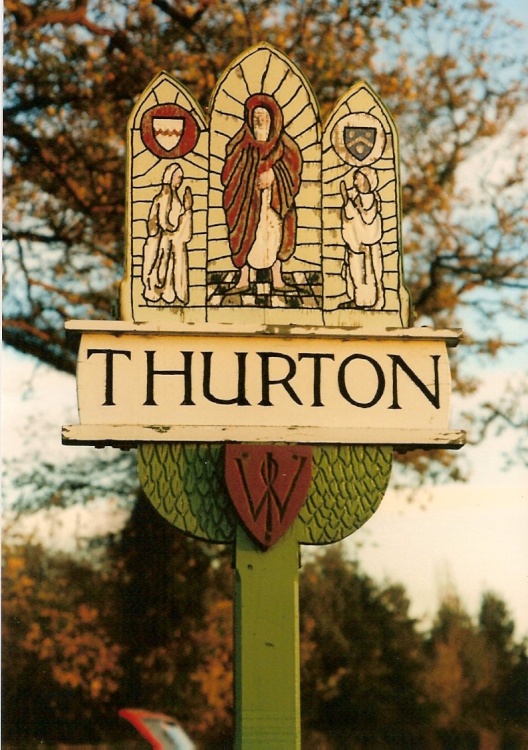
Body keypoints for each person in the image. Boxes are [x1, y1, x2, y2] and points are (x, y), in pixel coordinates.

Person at [221, 94, 302, 292]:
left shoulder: (284, 146)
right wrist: (248, 180)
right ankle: (243, 279)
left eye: (264, 117)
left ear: (273, 119)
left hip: (274, 201)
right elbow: (229, 175)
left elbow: (293, 168)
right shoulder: (240, 145)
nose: (260, 120)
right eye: (256, 116)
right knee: (247, 234)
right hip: (247, 202)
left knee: (277, 235)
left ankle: (277, 279)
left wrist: (274, 174)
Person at [142, 163, 192, 304]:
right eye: (178, 177)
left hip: (173, 240)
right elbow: (163, 221)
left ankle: (170, 294)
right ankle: (162, 293)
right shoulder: (165, 197)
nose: (180, 181)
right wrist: (175, 229)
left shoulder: (175, 196)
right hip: (165, 240)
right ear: (170, 177)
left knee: (171, 268)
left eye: (182, 178)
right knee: (163, 267)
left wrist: (187, 209)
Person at [340, 167, 385, 309]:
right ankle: (358, 299)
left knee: (366, 274)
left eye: (357, 179)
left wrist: (347, 201)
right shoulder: (358, 196)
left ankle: (367, 302)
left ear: (366, 181)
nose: (354, 182)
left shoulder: (369, 199)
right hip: (356, 242)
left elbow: (363, 217)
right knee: (355, 273)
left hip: (366, 244)